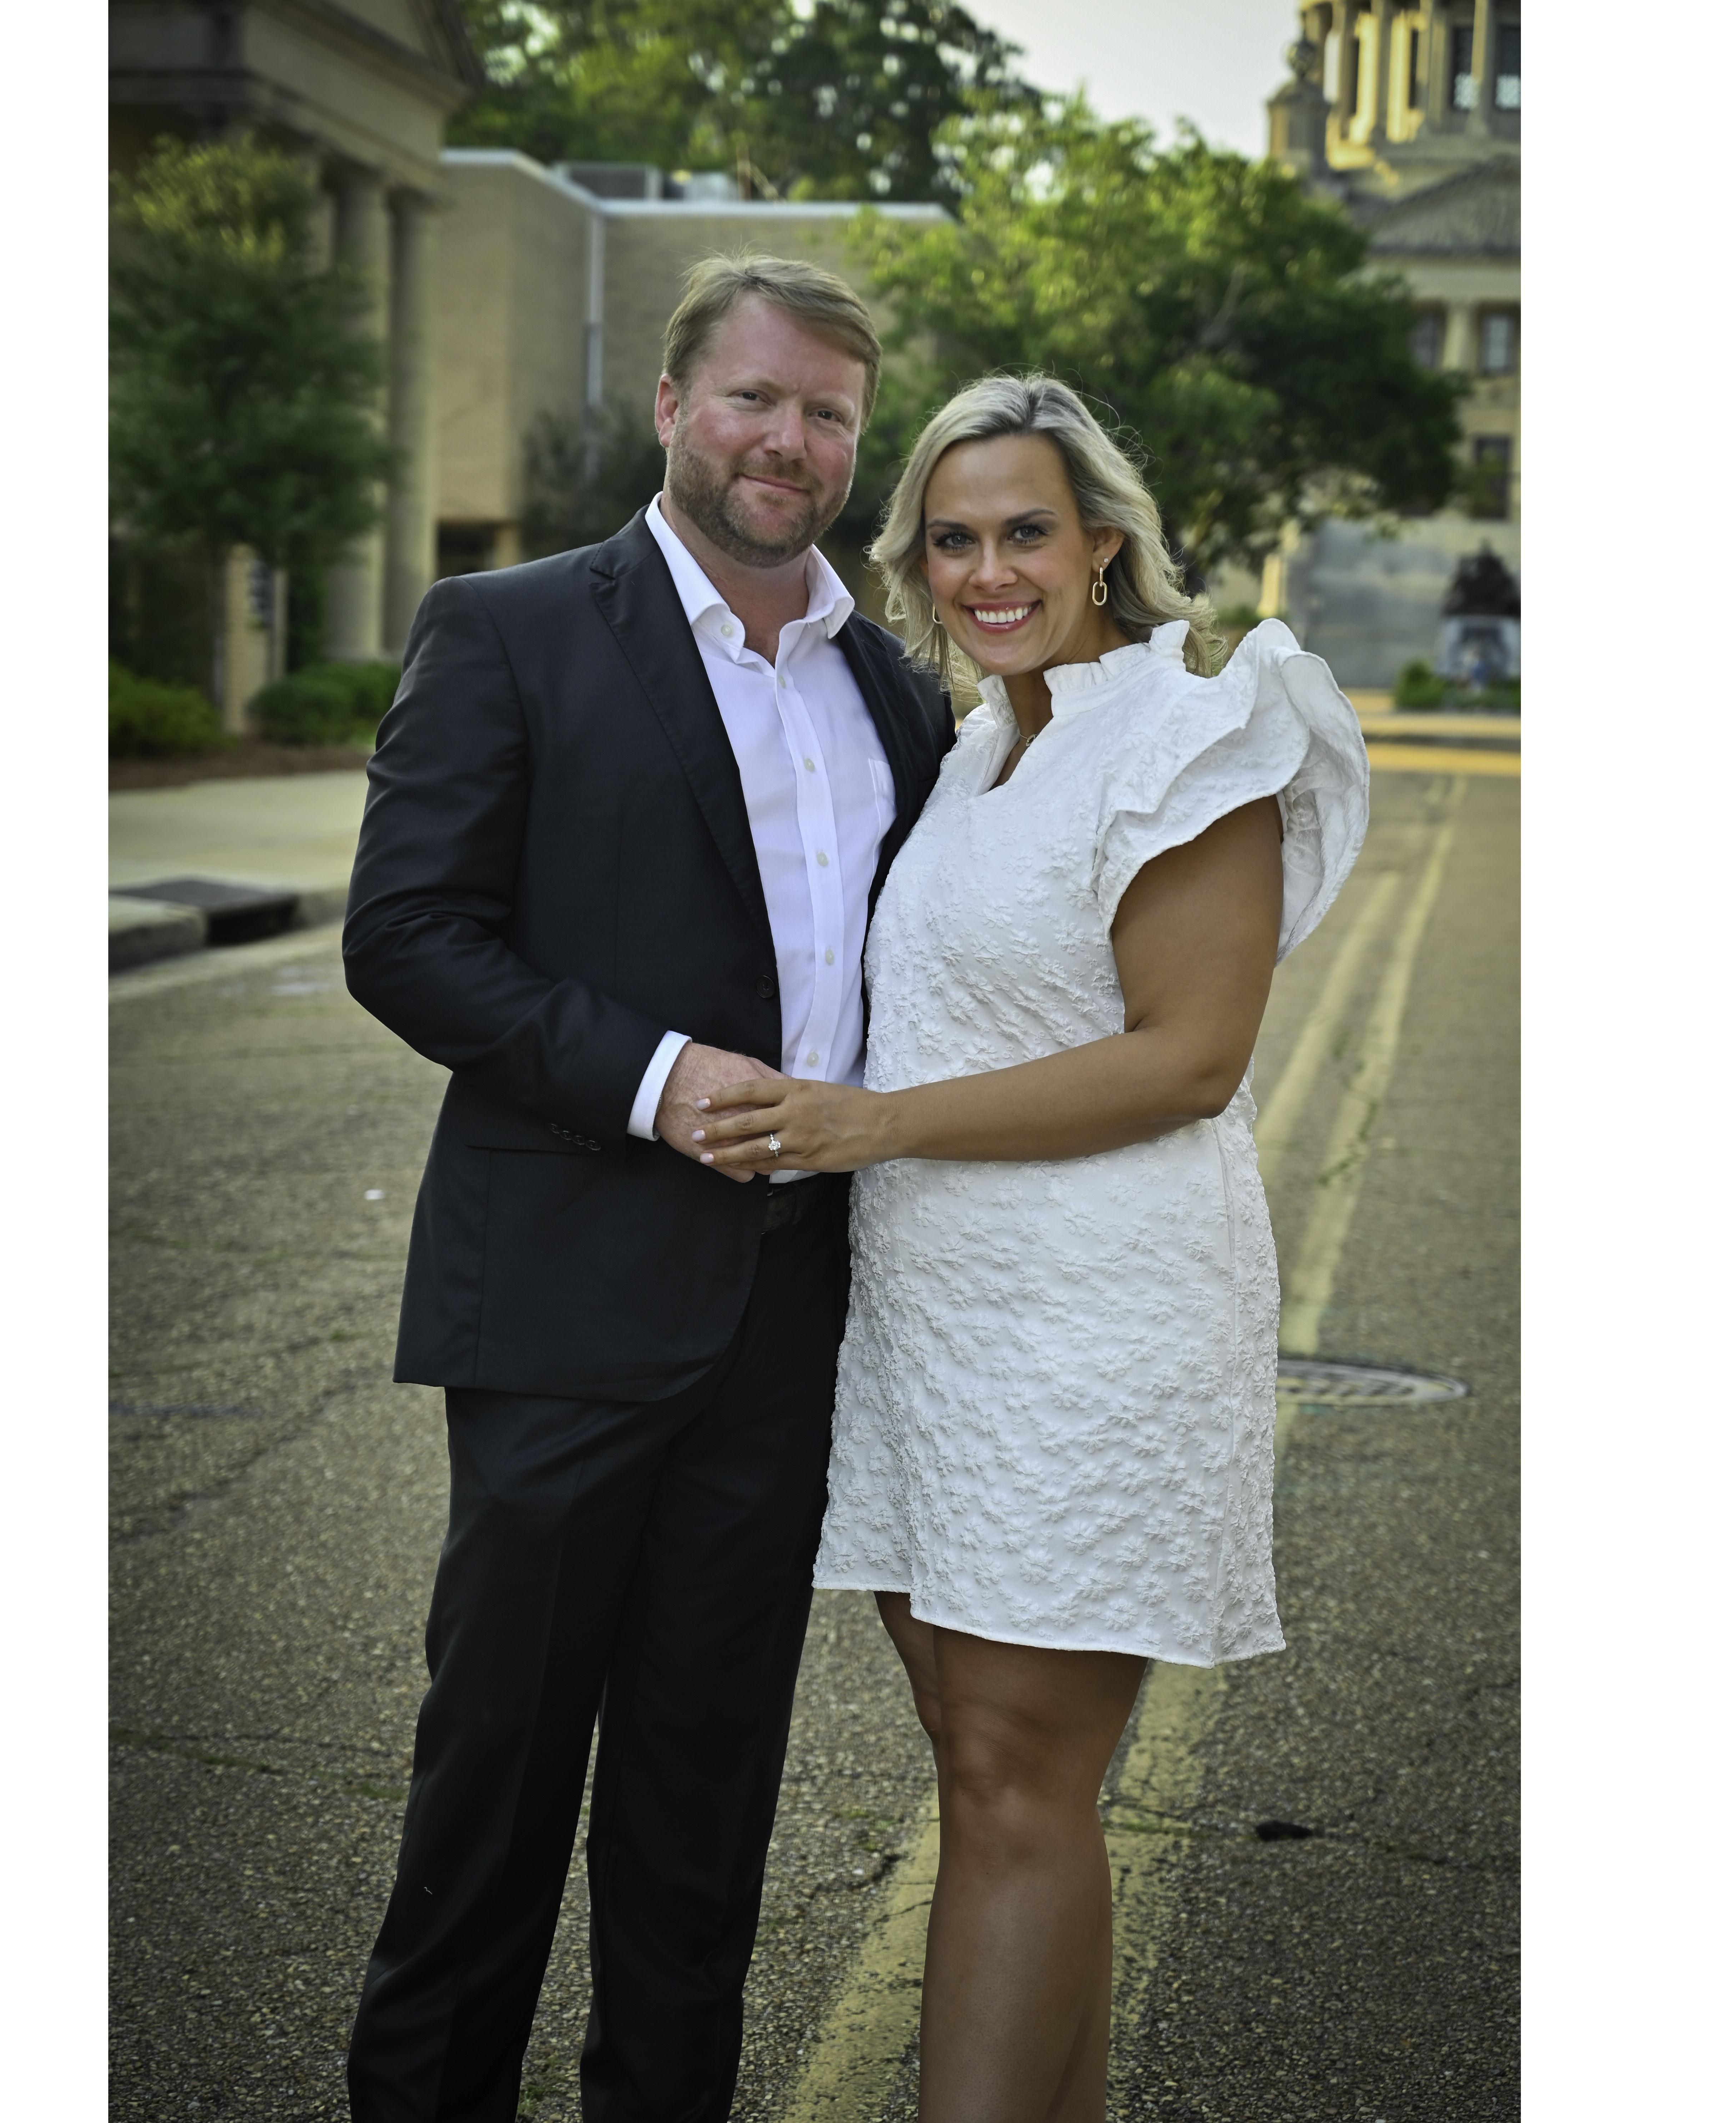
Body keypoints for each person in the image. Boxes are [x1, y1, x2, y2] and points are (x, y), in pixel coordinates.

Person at [687, 375, 1369, 2123]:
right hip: (937, 1324)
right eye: (954, 539)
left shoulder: (1187, 736)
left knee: (1010, 1775)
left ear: (1105, 545)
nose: (990, 571)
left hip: (1097, 1319)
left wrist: (873, 1125)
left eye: (1026, 533)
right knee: (997, 1780)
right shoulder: (985, 744)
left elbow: (1190, 1058)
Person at [338, 256, 953, 2123]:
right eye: (755, 397)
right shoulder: (511, 626)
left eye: (828, 413)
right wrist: (655, 1074)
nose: (790, 440)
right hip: (564, 1296)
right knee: (494, 1790)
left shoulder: (891, 686)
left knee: (704, 1812)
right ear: (675, 405)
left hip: (790, 1310)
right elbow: (407, 934)